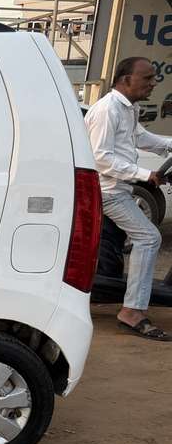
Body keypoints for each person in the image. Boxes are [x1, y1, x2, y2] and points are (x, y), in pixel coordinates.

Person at [86, 56, 172, 341]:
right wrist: (144, 174)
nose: (152, 83)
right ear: (125, 79)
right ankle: (132, 311)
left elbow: (141, 137)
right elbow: (101, 158)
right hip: (107, 192)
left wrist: (169, 144)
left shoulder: (128, 110)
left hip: (119, 189)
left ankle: (113, 296)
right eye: (147, 78)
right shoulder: (107, 110)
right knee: (148, 238)